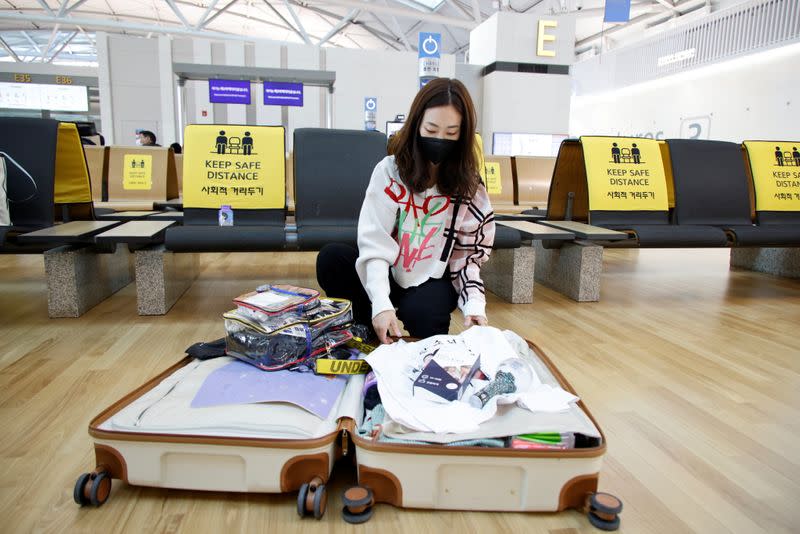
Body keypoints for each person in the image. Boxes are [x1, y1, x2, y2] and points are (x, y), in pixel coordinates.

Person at [316, 78, 495, 344]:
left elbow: (467, 257)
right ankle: (370, 329)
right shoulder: (389, 172)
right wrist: (380, 302)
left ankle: (421, 350)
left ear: (463, 135)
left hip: (432, 276)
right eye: (431, 129)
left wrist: (474, 306)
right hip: (390, 268)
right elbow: (375, 243)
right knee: (332, 259)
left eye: (451, 133)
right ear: (416, 125)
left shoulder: (469, 187)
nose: (439, 140)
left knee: (425, 313)